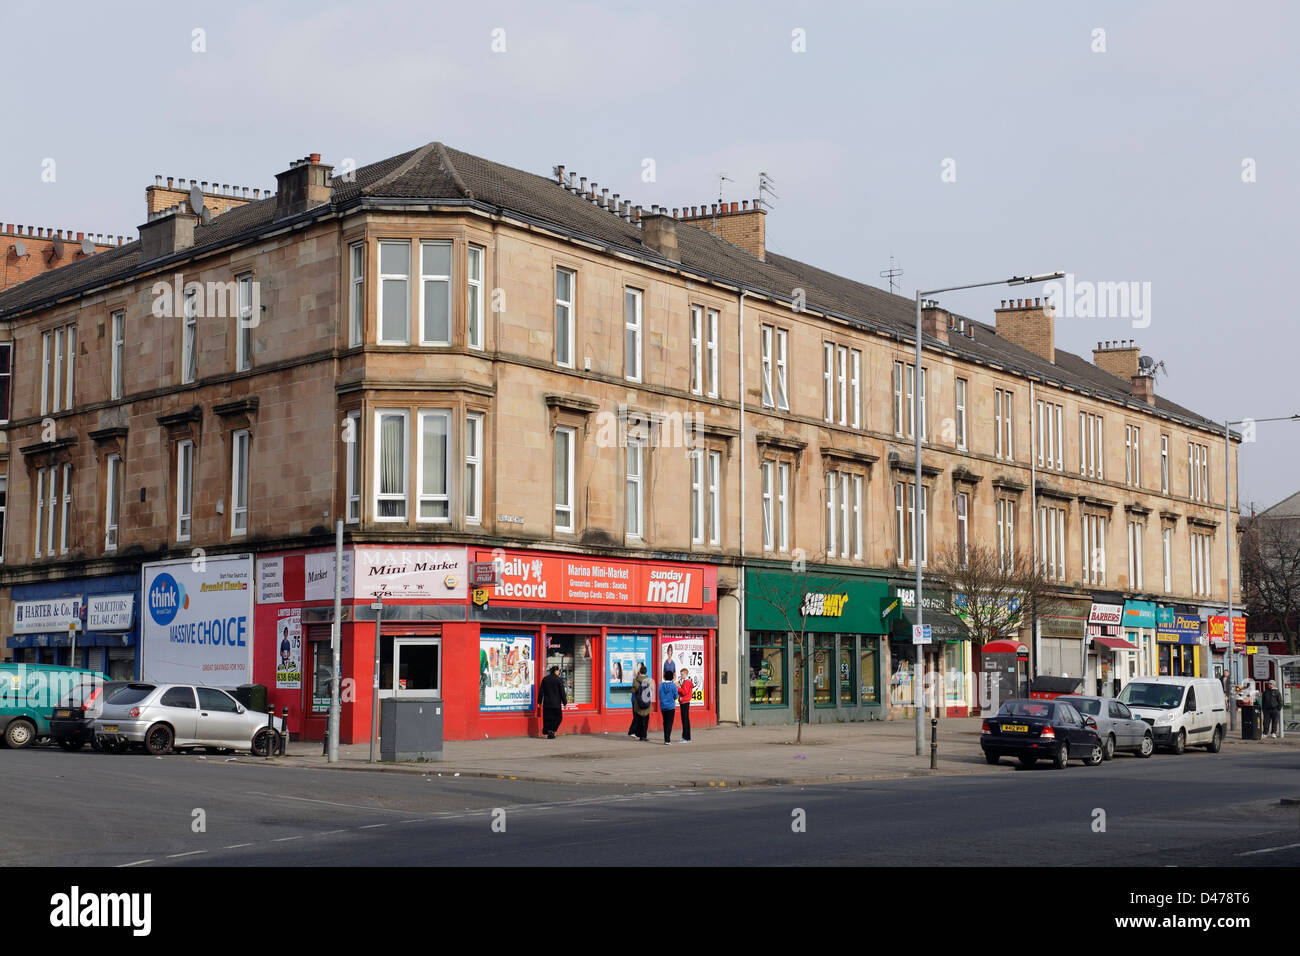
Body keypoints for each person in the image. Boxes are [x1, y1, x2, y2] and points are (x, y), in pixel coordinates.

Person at [539, 665, 566, 739]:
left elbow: (541, 691)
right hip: (556, 704)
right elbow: (562, 692)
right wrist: (565, 702)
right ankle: (551, 730)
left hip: (547, 704)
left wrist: (539, 702)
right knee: (558, 718)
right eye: (558, 671)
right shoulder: (558, 679)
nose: (559, 672)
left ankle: (548, 732)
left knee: (548, 719)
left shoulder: (545, 679)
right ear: (556, 671)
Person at [629, 664, 651, 740]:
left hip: (637, 702)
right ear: (646, 672)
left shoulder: (635, 680)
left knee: (638, 718)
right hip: (646, 702)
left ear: (639, 672)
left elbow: (633, 691)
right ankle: (643, 736)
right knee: (645, 720)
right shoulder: (649, 680)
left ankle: (637, 734)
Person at [658, 667, 678, 744]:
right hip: (671, 707)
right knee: (669, 723)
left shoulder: (660, 685)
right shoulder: (673, 686)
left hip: (663, 706)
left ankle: (666, 738)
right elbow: (676, 697)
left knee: (665, 722)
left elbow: (659, 695)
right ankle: (667, 739)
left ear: (664, 677)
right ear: (672, 677)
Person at [677, 668, 695, 743]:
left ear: (686, 674)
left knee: (685, 720)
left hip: (685, 702)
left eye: (682, 674)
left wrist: (677, 687)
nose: (681, 675)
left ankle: (686, 738)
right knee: (685, 720)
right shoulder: (685, 682)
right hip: (684, 702)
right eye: (681, 674)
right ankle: (685, 737)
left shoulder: (687, 682)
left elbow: (684, 692)